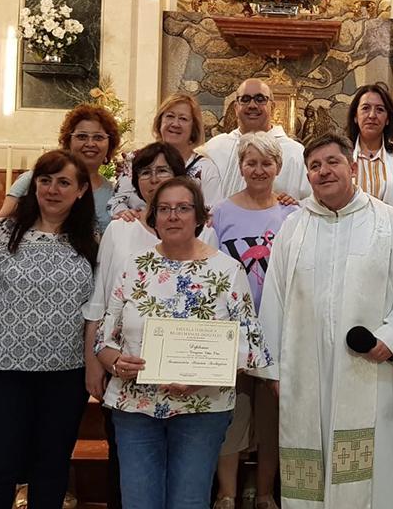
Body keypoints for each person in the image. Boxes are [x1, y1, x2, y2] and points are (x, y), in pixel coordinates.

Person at [257, 132, 393, 508]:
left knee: (374, 473)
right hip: (305, 373)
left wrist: (391, 339)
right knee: (310, 463)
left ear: (352, 168)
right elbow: (274, 299)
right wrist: (274, 371)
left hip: (371, 368)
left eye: (332, 162)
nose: (323, 171)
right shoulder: (293, 228)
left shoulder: (390, 222)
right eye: (314, 166)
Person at [95, 177, 273, 509]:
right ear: (154, 217)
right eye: (164, 209)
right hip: (136, 406)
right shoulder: (134, 266)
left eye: (182, 208)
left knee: (188, 502)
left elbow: (251, 346)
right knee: (138, 502)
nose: (173, 216)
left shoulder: (227, 271)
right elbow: (104, 341)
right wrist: (116, 362)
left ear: (200, 216)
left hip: (201, 407)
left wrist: (202, 375)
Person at [0, 149, 98, 507]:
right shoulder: (1, 233)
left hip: (64, 375)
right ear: (34, 185)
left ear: (80, 191)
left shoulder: (91, 242)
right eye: (45, 180)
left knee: (51, 469)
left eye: (64, 182)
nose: (53, 190)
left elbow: (97, 309)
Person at [86, 142, 220, 508]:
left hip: (192, 384)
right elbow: (101, 300)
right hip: (129, 376)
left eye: (163, 170)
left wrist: (204, 367)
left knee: (189, 487)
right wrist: (95, 361)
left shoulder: (206, 234)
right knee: (132, 478)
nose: (154, 178)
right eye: (145, 172)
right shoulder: (120, 228)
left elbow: (218, 313)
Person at [210, 132, 299, 509]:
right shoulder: (220, 212)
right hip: (232, 330)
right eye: (251, 163)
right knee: (231, 415)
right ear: (241, 167)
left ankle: (264, 492)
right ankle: (227, 493)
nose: (259, 170)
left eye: (266, 163)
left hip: (276, 329)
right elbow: (211, 268)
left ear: (278, 167)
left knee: (271, 419)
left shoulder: (292, 214)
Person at [0, 103, 120, 277]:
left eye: (98, 137)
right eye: (81, 136)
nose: (90, 143)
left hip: (91, 275)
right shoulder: (35, 179)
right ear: (68, 141)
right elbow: (1, 219)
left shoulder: (114, 193)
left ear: (109, 144)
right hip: (34, 270)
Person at [108, 93, 222, 216]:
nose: (175, 124)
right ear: (160, 121)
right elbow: (116, 202)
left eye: (183, 119)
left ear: (193, 127)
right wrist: (125, 215)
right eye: (170, 116)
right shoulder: (135, 159)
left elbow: (211, 214)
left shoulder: (206, 169)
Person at [203, 78, 311, 200]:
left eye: (260, 99)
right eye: (245, 99)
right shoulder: (214, 148)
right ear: (236, 107)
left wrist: (295, 205)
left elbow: (312, 201)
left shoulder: (295, 153)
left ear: (272, 107)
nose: (252, 105)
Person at [345, 82, 393, 227]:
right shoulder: (341, 157)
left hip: (392, 236)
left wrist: (375, 216)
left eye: (380, 110)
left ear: (387, 119)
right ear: (355, 116)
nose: (372, 115)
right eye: (365, 108)